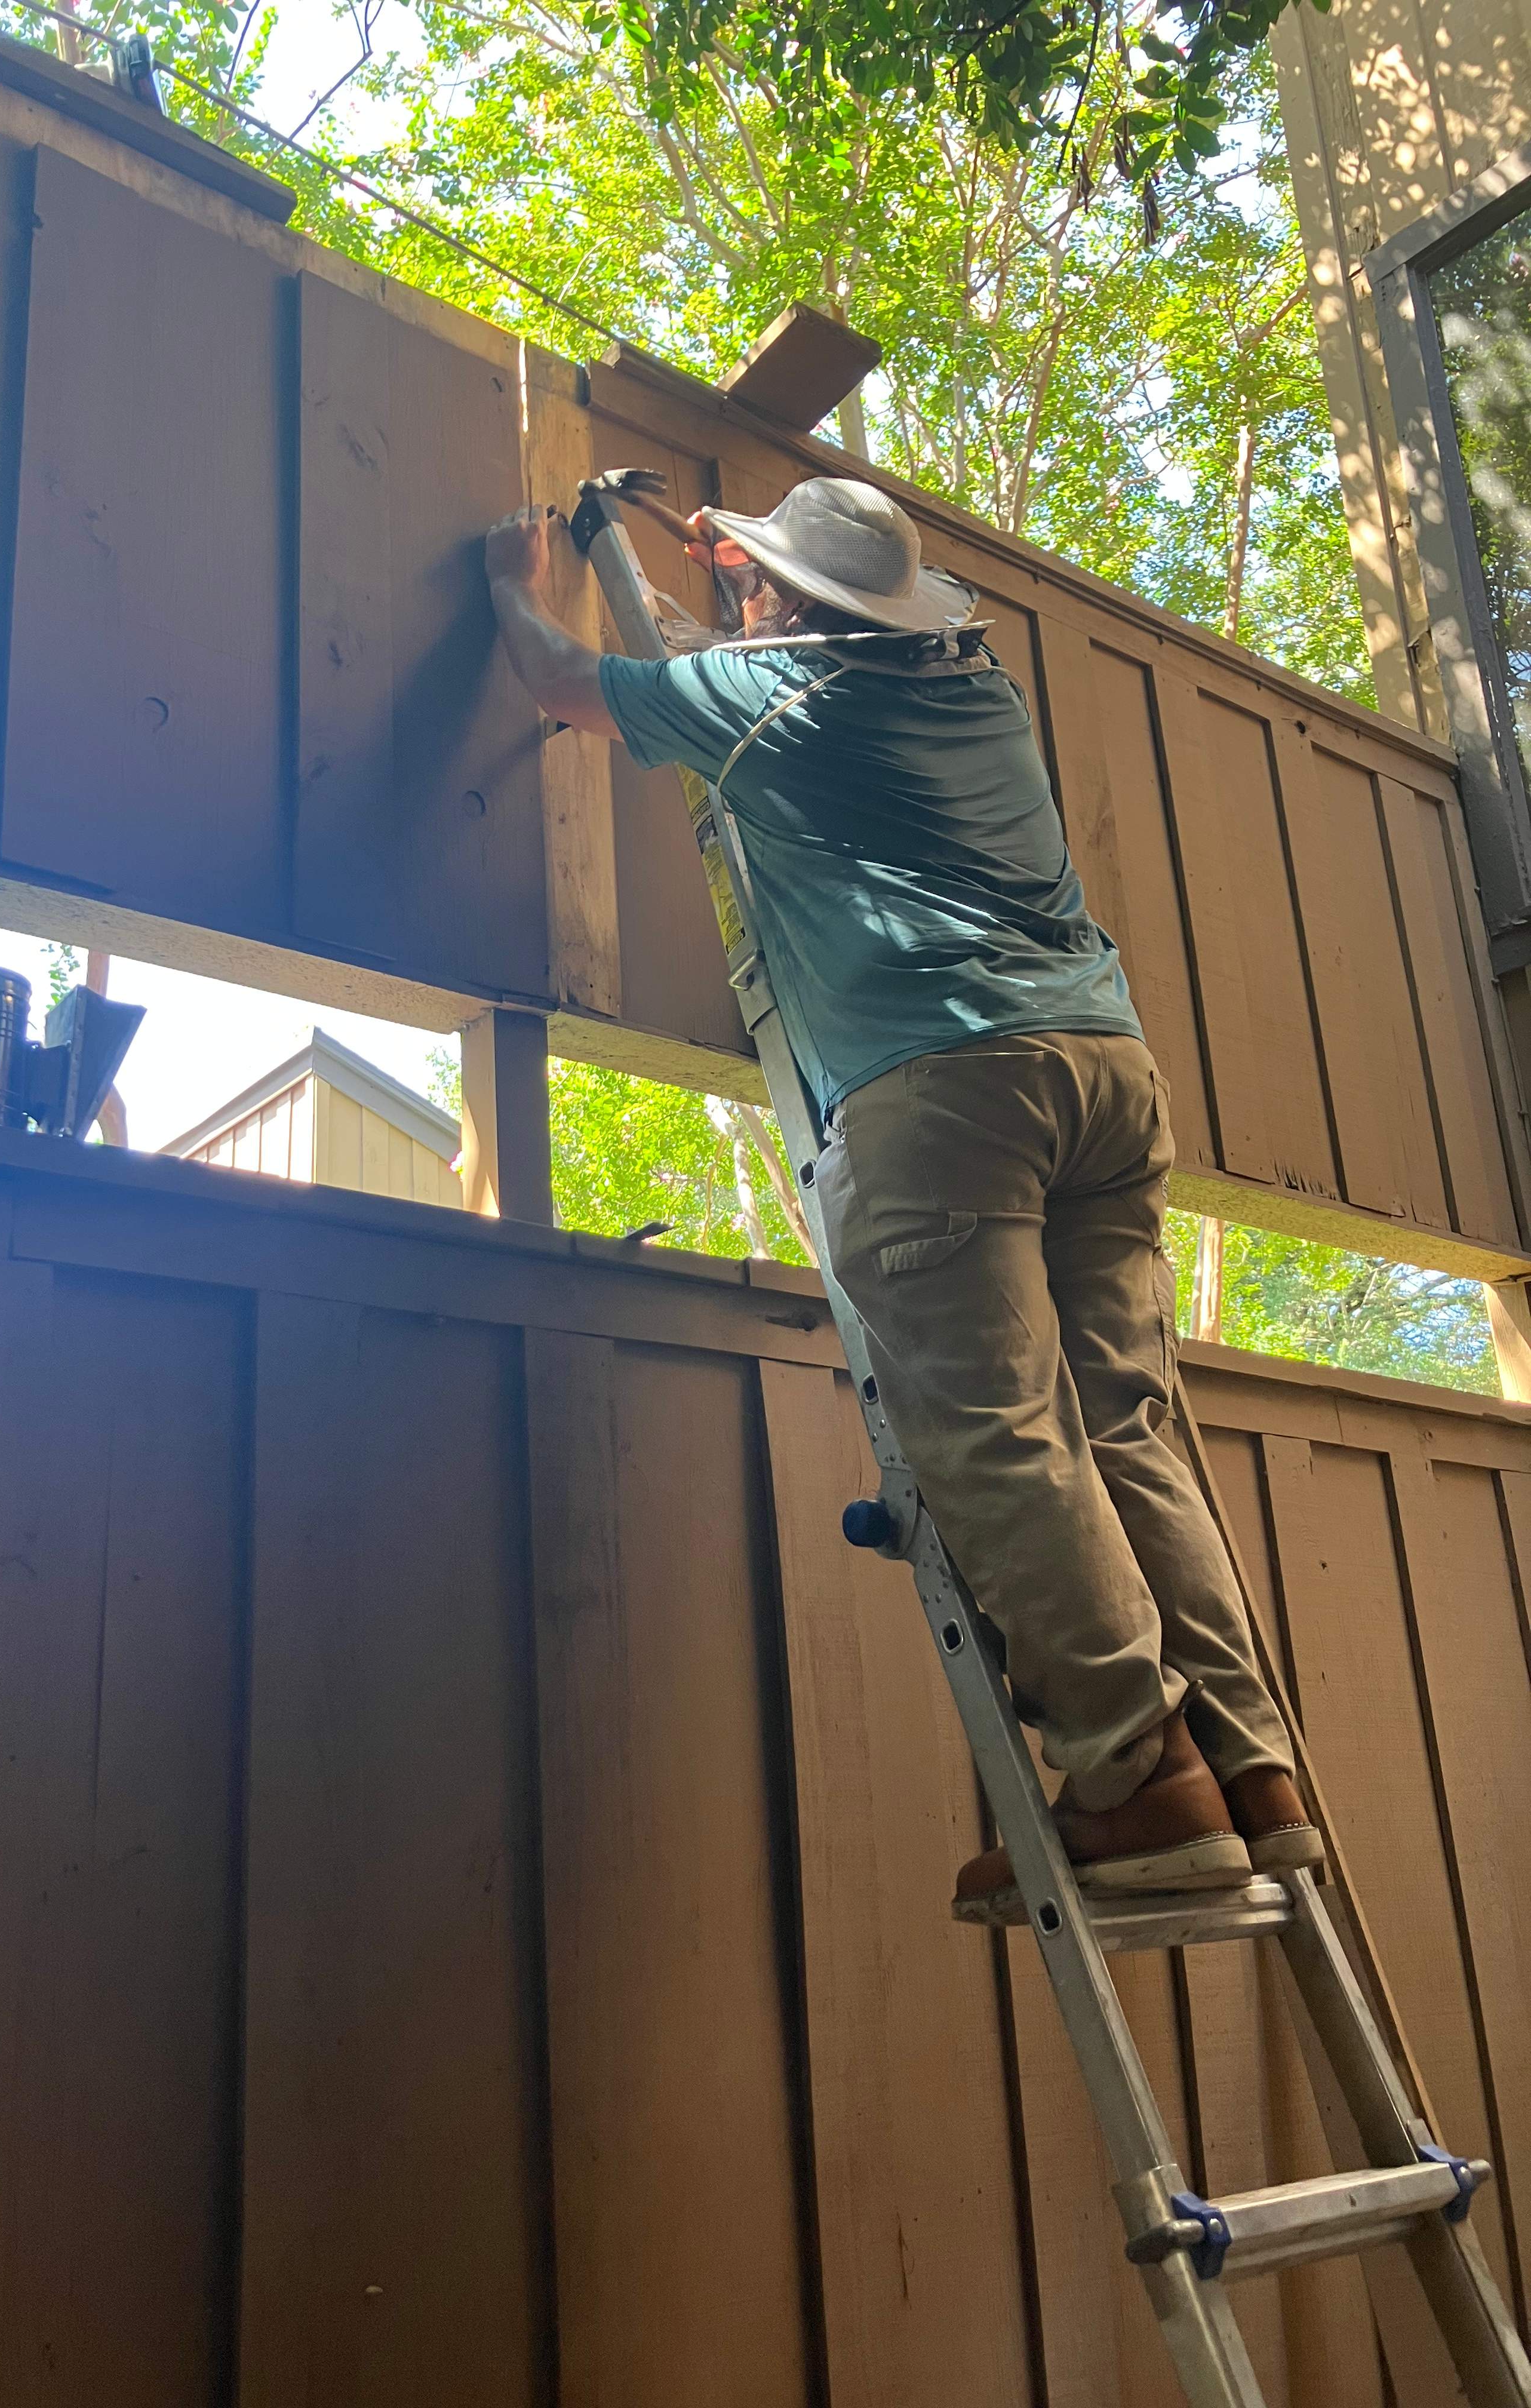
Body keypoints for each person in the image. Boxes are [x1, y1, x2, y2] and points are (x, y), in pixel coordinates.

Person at [484, 474, 1320, 1904]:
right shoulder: (975, 686)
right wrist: (737, 576)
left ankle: (1135, 1775)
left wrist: (515, 581)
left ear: (780, 602)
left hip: (944, 1090)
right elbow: (745, 667)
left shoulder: (769, 698)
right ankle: (1251, 1771)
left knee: (999, 1432)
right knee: (1126, 1424)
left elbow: (573, 683)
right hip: (1105, 1070)